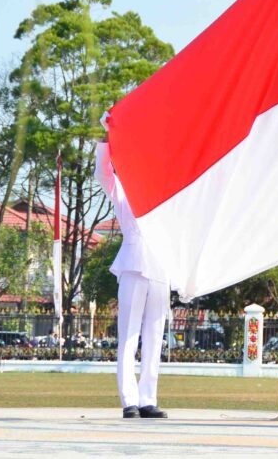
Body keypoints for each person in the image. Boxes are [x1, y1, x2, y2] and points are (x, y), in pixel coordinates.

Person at [96, 119, 172, 420]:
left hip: (161, 267)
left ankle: (148, 398)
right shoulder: (123, 190)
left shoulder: (168, 191)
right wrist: (106, 138)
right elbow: (103, 174)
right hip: (132, 264)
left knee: (155, 336)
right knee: (128, 336)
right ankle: (129, 400)